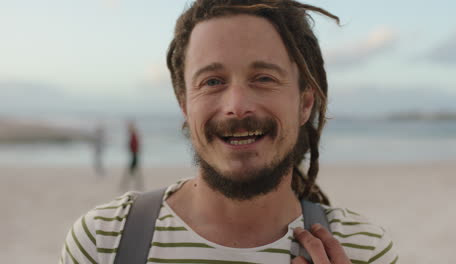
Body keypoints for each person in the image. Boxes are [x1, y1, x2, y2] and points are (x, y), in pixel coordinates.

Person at [59, 1, 398, 263]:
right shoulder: (103, 241)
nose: (237, 106)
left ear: (305, 103)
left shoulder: (363, 250)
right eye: (212, 82)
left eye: (264, 78)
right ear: (184, 104)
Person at [119, 120, 144, 191]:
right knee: (133, 171)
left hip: (134, 155)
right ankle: (136, 184)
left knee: (132, 171)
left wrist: (134, 151)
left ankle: (127, 184)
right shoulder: (133, 135)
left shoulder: (134, 135)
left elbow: (135, 145)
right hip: (134, 155)